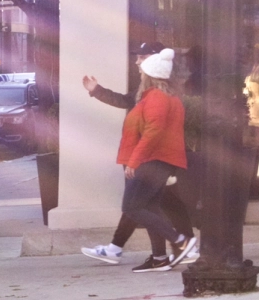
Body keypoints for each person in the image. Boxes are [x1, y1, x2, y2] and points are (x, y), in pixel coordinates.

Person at [82, 49, 195, 272]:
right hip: (156, 160)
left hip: (151, 161)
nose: (139, 72)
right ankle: (160, 258)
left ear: (149, 75)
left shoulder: (156, 98)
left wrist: (134, 161)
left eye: (142, 70)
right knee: (150, 208)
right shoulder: (160, 97)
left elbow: (154, 132)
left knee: (132, 207)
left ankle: (180, 242)